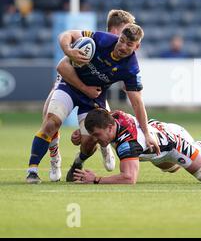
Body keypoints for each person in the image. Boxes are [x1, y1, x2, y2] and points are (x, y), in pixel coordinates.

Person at [26, 23, 160, 184]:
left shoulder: (131, 68)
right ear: (119, 37)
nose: (123, 46)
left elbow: (137, 103)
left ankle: (79, 160)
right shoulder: (101, 39)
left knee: (89, 142)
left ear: (137, 46)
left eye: (129, 44)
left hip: (93, 98)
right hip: (69, 87)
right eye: (122, 40)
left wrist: (146, 134)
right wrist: (69, 51)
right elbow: (66, 35)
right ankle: (32, 171)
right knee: (50, 123)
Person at [41, 10, 136, 183]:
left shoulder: (123, 53)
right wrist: (69, 51)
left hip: (95, 94)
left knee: (95, 131)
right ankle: (54, 157)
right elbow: (62, 64)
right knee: (49, 120)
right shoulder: (92, 42)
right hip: (68, 83)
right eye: (122, 33)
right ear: (113, 29)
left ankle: (104, 145)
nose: (123, 41)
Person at [72, 108, 201, 184]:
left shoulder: (129, 143)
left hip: (176, 143)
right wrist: (81, 135)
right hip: (159, 143)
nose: (97, 140)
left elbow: (129, 178)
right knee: (169, 168)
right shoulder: (113, 117)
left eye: (98, 135)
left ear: (109, 127)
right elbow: (98, 116)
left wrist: (96, 179)